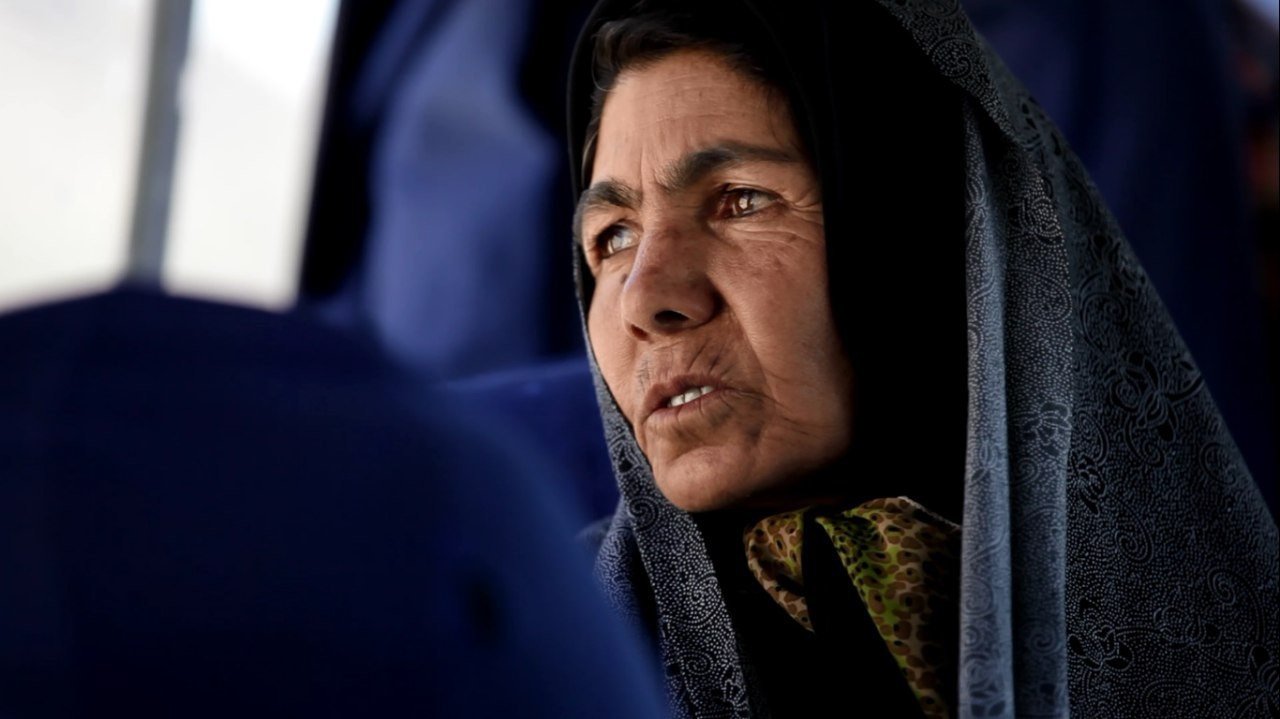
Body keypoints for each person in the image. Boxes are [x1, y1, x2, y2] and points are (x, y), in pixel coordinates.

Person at [566, 1, 1280, 717]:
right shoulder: (543, 648)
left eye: (743, 201)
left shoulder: (1199, 625)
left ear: (926, 233)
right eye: (613, 237)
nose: (645, 299)